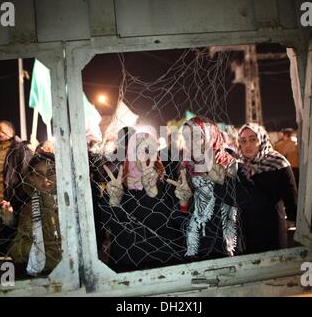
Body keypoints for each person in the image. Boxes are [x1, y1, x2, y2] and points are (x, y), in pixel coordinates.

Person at [101, 132, 186, 272]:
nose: (146, 155)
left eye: (150, 150)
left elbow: (181, 224)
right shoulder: (117, 186)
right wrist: (115, 202)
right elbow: (108, 225)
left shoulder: (168, 185)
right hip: (126, 269)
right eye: (139, 150)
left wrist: (184, 202)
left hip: (166, 265)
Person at [167, 117, 241, 260]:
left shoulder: (230, 163)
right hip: (194, 251)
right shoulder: (183, 167)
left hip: (227, 250)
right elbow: (177, 219)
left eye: (196, 136)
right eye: (187, 138)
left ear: (210, 136)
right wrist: (183, 203)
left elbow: (244, 205)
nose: (191, 143)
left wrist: (223, 182)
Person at [228, 123, 298, 254]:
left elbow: (291, 200)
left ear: (262, 140)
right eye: (243, 141)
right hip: (244, 234)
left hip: (272, 231)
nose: (247, 145)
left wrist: (291, 221)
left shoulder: (278, 164)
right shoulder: (236, 168)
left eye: (253, 139)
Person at [0, 120, 33, 281]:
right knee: (1, 244)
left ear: (11, 131)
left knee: (13, 244)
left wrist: (13, 203)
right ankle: (6, 282)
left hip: (14, 207)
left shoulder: (21, 150)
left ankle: (16, 282)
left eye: (0, 128)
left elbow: (27, 180)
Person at [9, 153, 61, 278]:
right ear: (31, 178)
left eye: (51, 172)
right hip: (44, 274)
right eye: (38, 175)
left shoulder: (73, 204)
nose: (45, 180)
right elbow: (17, 250)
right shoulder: (29, 209)